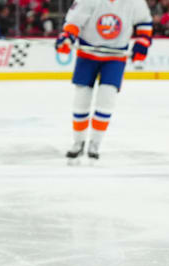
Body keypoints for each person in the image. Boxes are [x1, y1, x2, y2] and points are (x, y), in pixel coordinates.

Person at [56, 0, 153, 163]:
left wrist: (142, 44)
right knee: (81, 99)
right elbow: (74, 22)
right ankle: (78, 142)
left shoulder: (135, 2)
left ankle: (95, 143)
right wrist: (67, 37)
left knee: (106, 99)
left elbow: (144, 22)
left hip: (116, 57)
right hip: (87, 55)